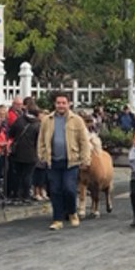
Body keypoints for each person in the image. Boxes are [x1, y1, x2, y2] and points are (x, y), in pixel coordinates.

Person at [37, 92, 91, 231]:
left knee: (69, 189)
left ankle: (72, 212)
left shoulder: (77, 120)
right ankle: (57, 219)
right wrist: (42, 155)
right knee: (55, 190)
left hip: (71, 161)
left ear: (69, 104)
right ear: (55, 104)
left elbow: (83, 141)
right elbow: (41, 140)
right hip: (53, 161)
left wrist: (85, 159)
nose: (61, 105)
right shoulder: (47, 120)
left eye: (63, 103)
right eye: (58, 103)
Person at [7, 100, 40, 203]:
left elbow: (11, 133)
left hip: (18, 152)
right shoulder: (38, 124)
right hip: (31, 153)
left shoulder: (19, 120)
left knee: (17, 174)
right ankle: (26, 195)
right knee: (28, 175)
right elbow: (39, 140)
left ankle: (15, 195)